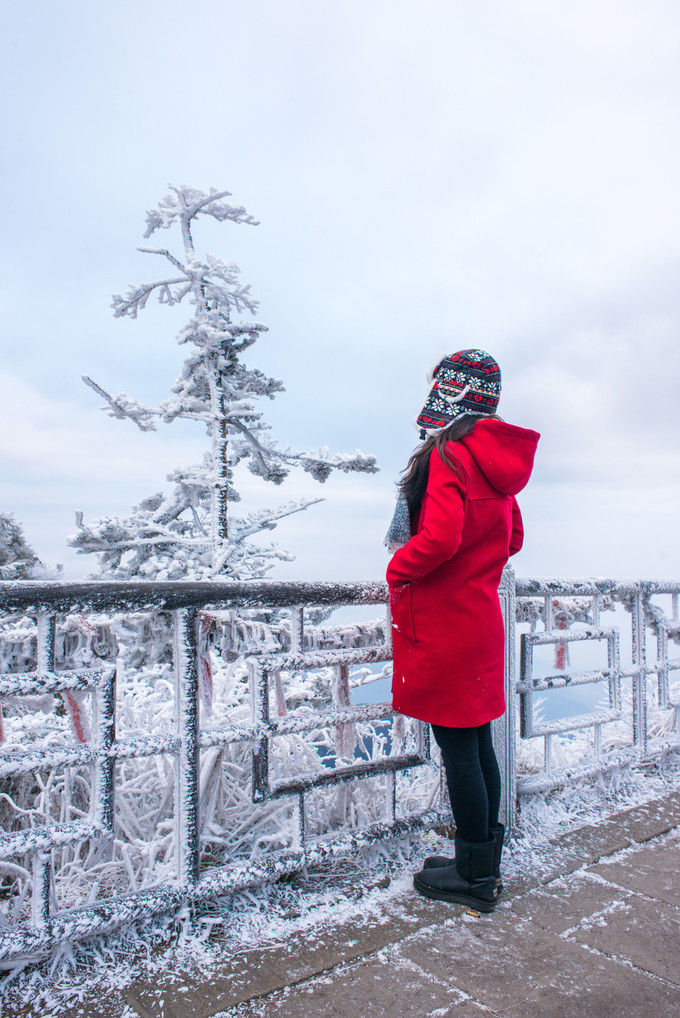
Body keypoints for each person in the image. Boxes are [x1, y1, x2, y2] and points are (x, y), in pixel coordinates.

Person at [385, 349, 539, 912]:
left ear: (451, 392)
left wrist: (397, 568)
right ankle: (480, 862)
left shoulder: (449, 455)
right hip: (480, 622)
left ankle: (474, 880)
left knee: (459, 750)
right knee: (476, 745)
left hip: (448, 624)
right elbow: (512, 537)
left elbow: (442, 537)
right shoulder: (494, 461)